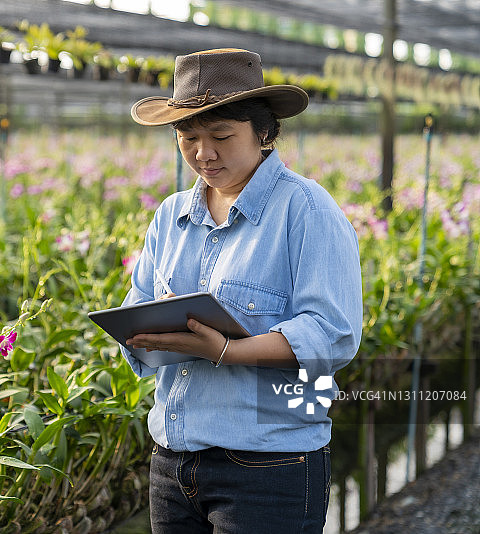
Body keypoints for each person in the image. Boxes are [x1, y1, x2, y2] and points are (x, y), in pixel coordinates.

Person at [120, 49, 362, 533]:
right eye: (188, 138)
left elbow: (332, 335)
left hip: (272, 463)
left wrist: (228, 350)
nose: (203, 154)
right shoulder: (170, 216)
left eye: (222, 137)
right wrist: (144, 329)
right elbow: (136, 308)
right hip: (173, 462)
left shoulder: (306, 209)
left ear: (265, 132)